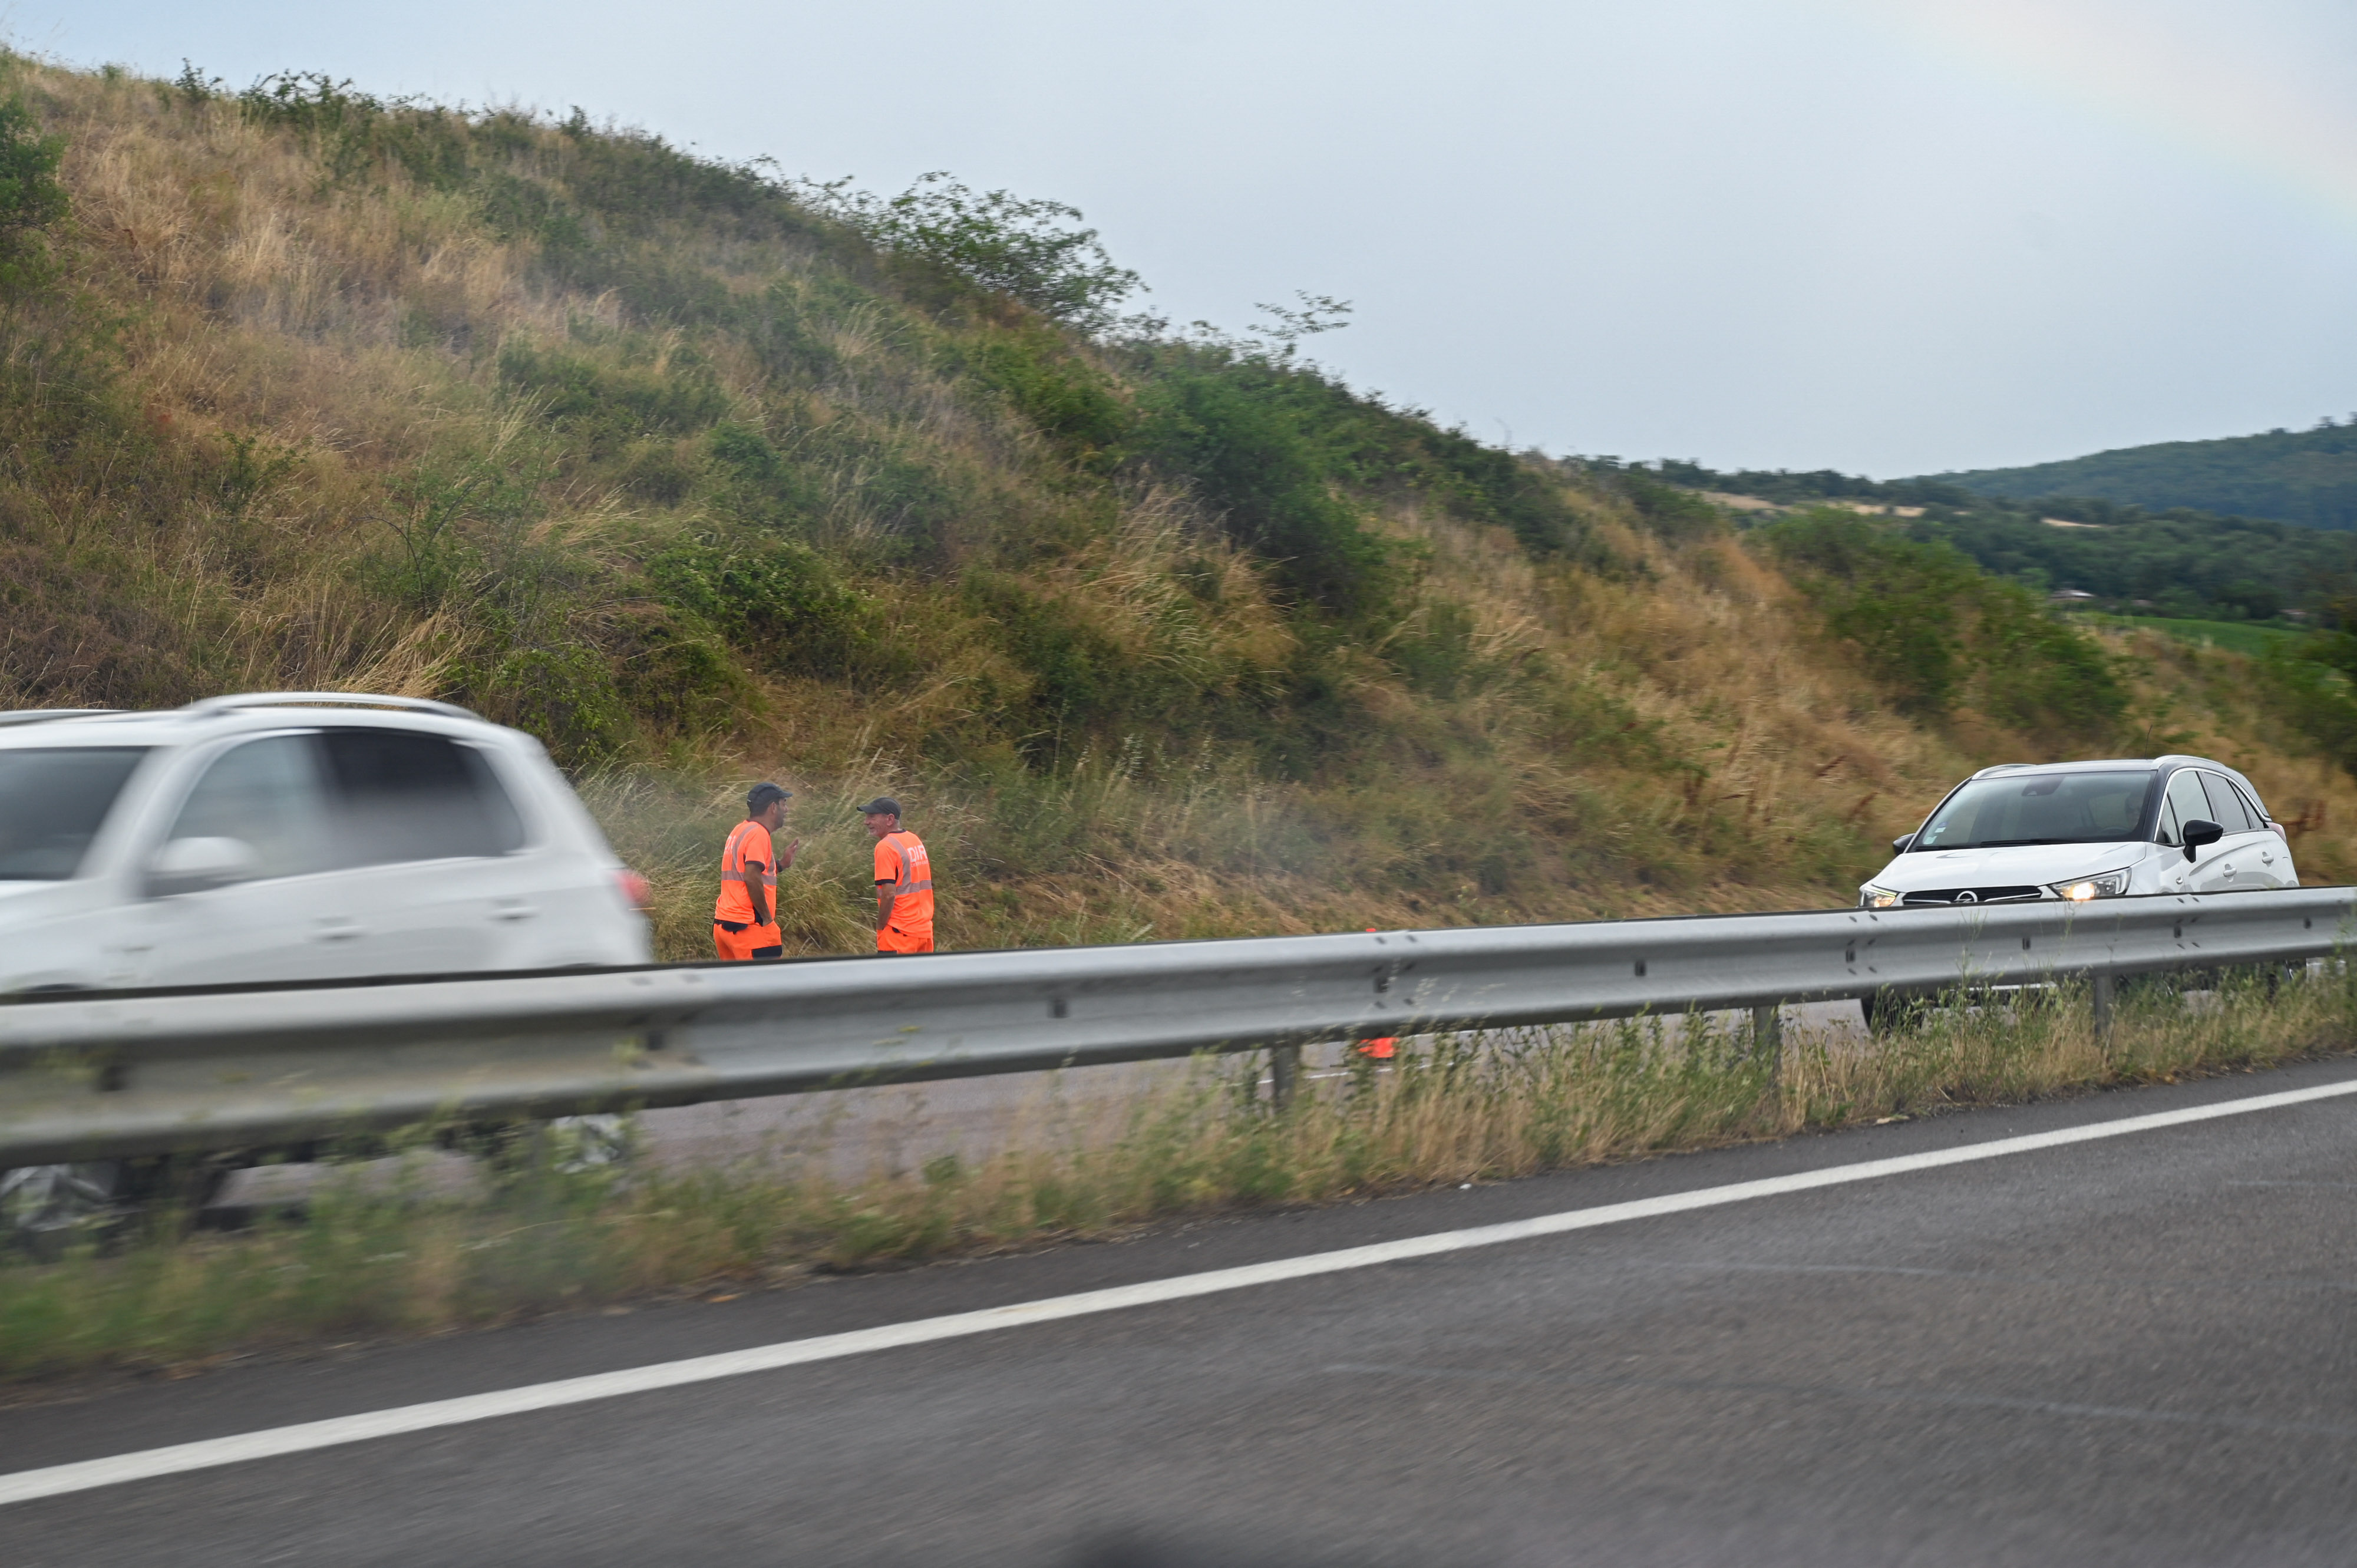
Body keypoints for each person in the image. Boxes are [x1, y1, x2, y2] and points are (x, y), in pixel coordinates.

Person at [714, 783, 797, 960]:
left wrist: (782, 864)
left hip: (725, 925)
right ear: (773, 807)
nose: (787, 810)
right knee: (768, 986)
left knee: (736, 987)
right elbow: (751, 876)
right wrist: (767, 919)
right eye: (784, 803)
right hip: (750, 928)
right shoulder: (759, 834)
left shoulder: (740, 830)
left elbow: (748, 871)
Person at [859, 796, 934, 954]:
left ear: (890, 819)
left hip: (898, 933)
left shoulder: (885, 847)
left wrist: (880, 927)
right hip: (924, 932)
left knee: (892, 979)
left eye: (872, 817)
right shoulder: (914, 840)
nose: (866, 822)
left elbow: (889, 894)